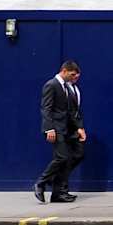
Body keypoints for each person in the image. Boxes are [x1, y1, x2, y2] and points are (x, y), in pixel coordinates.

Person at [35, 60, 85, 203]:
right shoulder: (51, 85)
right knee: (62, 158)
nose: (74, 77)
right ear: (64, 71)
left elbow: (72, 112)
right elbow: (46, 108)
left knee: (77, 154)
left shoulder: (67, 88)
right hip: (56, 128)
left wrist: (79, 128)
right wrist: (49, 128)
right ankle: (41, 182)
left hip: (67, 129)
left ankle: (58, 191)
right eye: (72, 74)